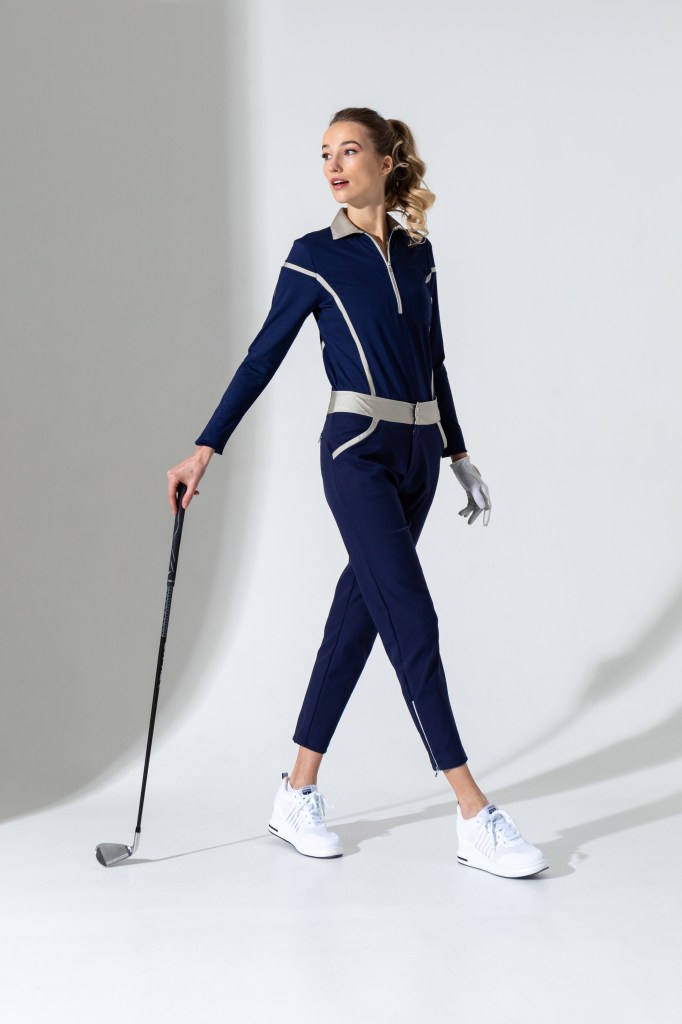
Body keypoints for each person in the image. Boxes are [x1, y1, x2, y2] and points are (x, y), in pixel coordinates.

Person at [166, 107, 548, 879]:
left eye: (348, 151)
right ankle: (473, 812)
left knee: (358, 620)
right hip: (356, 451)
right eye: (324, 155)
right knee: (412, 615)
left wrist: (457, 452)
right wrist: (207, 446)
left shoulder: (418, 254)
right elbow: (262, 356)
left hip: (419, 456)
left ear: (385, 160)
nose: (333, 166)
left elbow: (435, 363)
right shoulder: (315, 256)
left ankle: (296, 791)